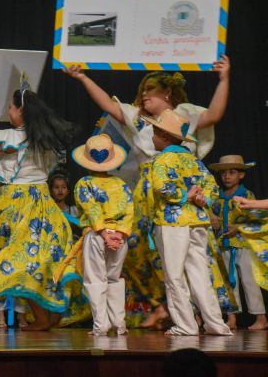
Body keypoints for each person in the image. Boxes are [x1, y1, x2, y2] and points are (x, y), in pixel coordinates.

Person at [64, 57, 230, 328]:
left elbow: (214, 114)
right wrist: (82, 77)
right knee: (139, 251)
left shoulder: (184, 115)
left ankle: (193, 313)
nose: (143, 95)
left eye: (149, 90)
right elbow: (107, 104)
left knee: (189, 256)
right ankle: (163, 306)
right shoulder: (137, 118)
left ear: (166, 93)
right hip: (146, 193)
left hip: (182, 194)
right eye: (142, 91)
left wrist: (224, 79)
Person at [0, 84, 78, 331]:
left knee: (18, 263)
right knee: (38, 262)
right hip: (44, 205)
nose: (8, 112)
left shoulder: (14, 137)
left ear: (22, 111)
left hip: (18, 205)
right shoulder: (47, 138)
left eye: (11, 107)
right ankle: (48, 314)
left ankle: (42, 317)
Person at [146, 109, 231, 336]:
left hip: (173, 222)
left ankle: (186, 325)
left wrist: (185, 196)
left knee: (174, 275)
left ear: (164, 136)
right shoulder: (193, 160)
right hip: (197, 221)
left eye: (154, 132)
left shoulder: (162, 159)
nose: (152, 137)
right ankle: (215, 324)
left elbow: (161, 187)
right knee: (199, 273)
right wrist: (202, 198)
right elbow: (213, 188)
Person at [71, 134, 134, 336]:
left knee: (96, 279)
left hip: (97, 235)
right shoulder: (121, 184)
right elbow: (129, 210)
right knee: (114, 278)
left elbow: (92, 209)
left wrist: (104, 234)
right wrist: (120, 234)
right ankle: (119, 324)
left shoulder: (84, 183)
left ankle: (101, 325)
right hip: (119, 236)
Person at [209, 155, 267, 330]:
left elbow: (254, 216)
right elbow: (213, 216)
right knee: (227, 283)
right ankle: (231, 317)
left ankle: (261, 317)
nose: (227, 176)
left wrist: (238, 227)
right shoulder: (217, 197)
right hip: (224, 244)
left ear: (241, 175)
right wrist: (213, 221)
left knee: (249, 281)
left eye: (232, 172)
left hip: (243, 244)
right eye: (224, 173)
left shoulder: (247, 195)